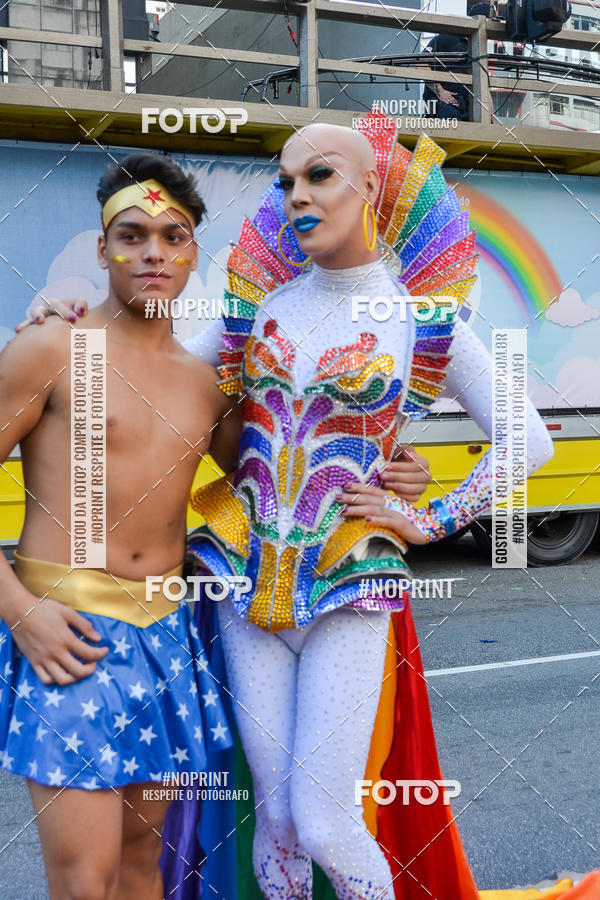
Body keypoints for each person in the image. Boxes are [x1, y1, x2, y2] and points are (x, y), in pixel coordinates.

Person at [0, 152, 238, 899]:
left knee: (144, 873)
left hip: (166, 638)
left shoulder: (207, 384)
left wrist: (396, 473)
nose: (152, 254)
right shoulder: (51, 347)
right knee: (85, 881)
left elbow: (282, 476)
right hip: (67, 633)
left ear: (194, 252)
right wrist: (20, 611)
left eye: (172, 237)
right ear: (102, 248)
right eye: (131, 236)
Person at [423, 1, 493, 121]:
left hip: (469, 107)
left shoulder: (480, 51)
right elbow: (421, 63)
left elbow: (486, 90)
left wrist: (493, 123)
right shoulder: (448, 38)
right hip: (444, 105)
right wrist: (440, 91)